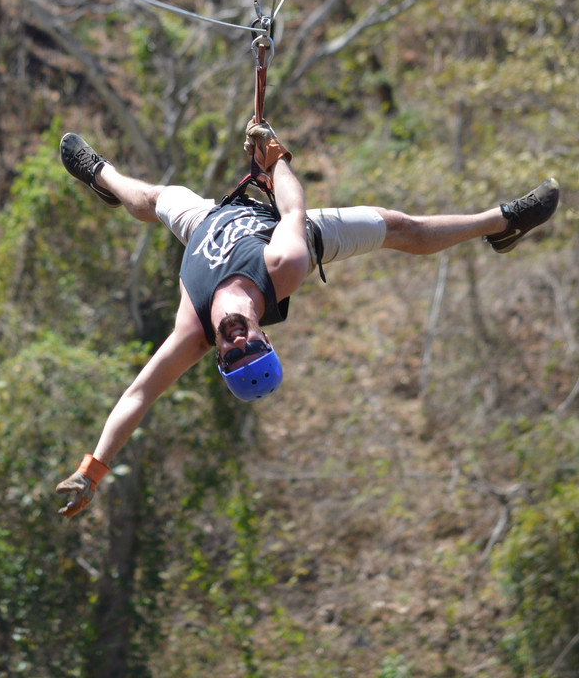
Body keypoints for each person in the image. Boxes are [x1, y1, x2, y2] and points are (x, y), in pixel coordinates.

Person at [54, 123, 560, 518]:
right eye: (252, 344)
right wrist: (274, 158)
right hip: (289, 231)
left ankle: (100, 175)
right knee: (401, 227)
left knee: (153, 198)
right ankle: (504, 222)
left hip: (207, 224)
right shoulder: (285, 266)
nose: (236, 341)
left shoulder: (194, 332)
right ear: (264, 337)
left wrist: (90, 472)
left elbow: (138, 394)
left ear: (221, 359)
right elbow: (294, 207)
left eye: (233, 355)